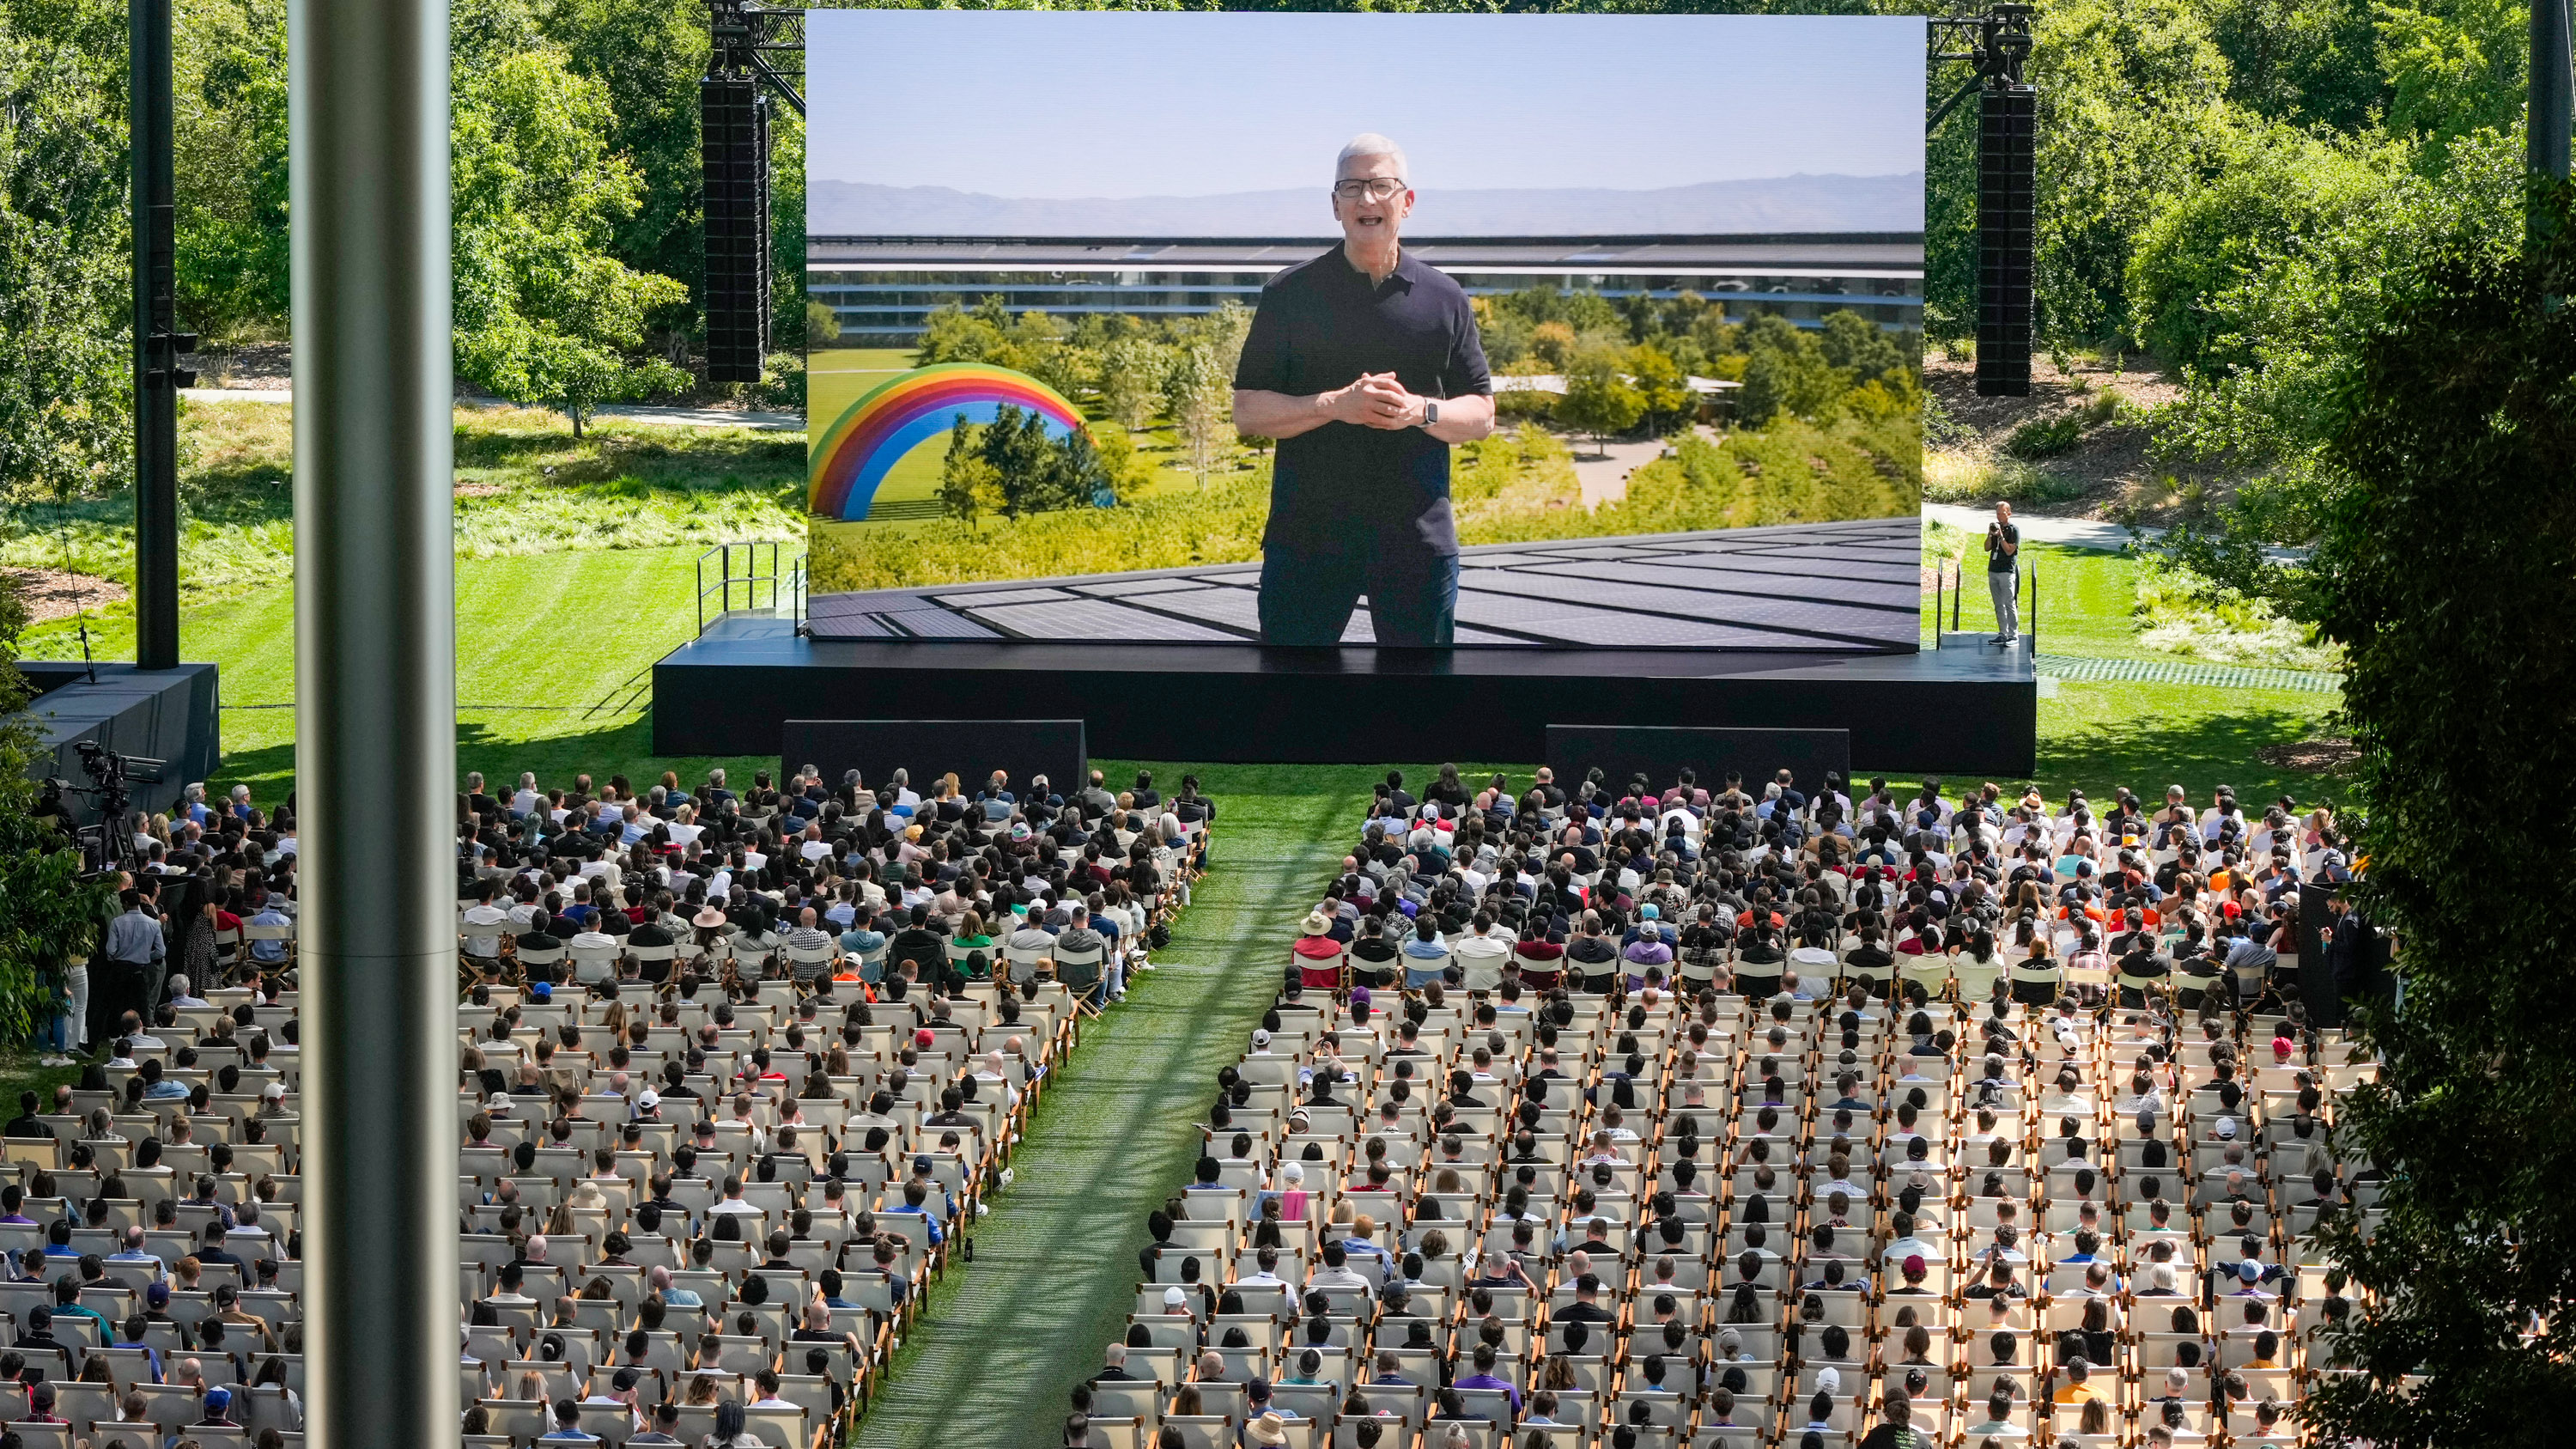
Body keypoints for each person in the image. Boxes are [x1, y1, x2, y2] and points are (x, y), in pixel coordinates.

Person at [1232, 132, 1496, 646]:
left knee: (1418, 711)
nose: (1366, 199)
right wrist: (1336, 405)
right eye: (1351, 187)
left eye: (1380, 185)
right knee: (1291, 706)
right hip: (1306, 544)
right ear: (1334, 205)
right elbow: (1248, 412)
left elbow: (1482, 416)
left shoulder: (1445, 298)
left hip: (1417, 548)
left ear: (1407, 202)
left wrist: (1420, 411)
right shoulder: (1289, 294)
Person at [1986, 500, 2020, 647]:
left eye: (2002, 514)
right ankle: (2002, 633)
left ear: (2009, 514)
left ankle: (2013, 636)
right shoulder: (1995, 528)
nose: (1999, 517)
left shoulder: (2014, 530)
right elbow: (1987, 548)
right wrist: (1990, 535)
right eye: (1998, 513)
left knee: (2009, 604)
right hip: (1993, 570)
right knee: (1998, 604)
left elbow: (2009, 550)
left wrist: (2001, 536)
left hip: (2007, 571)